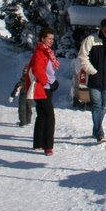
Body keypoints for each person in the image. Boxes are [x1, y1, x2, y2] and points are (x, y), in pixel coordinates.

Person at [77, 17, 106, 143]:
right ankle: (99, 132)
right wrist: (93, 71)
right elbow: (82, 57)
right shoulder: (91, 40)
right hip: (94, 80)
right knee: (96, 106)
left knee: (103, 106)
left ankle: (96, 128)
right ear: (101, 30)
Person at [29, 27, 60, 155]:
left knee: (42, 115)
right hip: (42, 89)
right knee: (49, 117)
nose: (51, 41)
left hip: (47, 87)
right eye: (49, 38)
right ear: (42, 38)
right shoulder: (40, 53)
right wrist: (48, 82)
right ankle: (48, 146)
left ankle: (38, 143)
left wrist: (53, 81)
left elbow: (50, 71)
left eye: (52, 38)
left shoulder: (48, 52)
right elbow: (38, 70)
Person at [8, 62, 33, 126]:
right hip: (30, 95)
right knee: (28, 108)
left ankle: (23, 122)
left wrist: (12, 96)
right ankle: (28, 121)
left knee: (22, 109)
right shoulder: (32, 80)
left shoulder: (22, 82)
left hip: (23, 96)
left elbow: (17, 89)